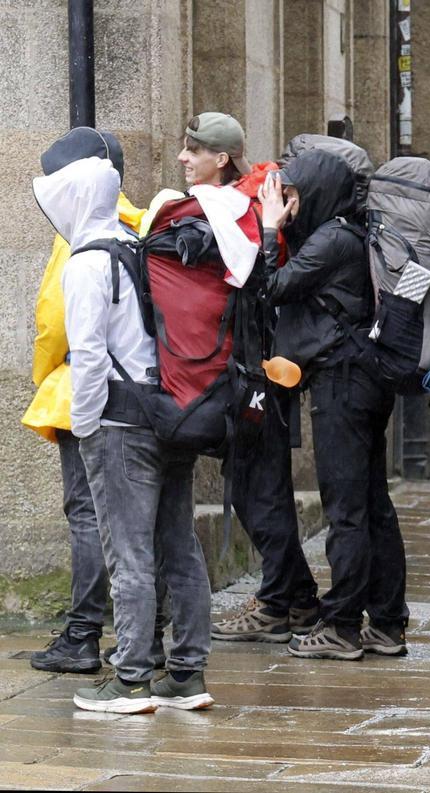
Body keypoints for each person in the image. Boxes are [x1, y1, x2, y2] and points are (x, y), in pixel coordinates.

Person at [35, 155, 214, 713]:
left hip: (118, 421)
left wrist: (86, 425)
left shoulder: (87, 262)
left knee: (128, 551)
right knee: (179, 546)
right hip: (168, 412)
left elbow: (88, 356)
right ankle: (186, 674)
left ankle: (131, 677)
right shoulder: (140, 247)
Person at [24, 129, 172, 675]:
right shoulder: (141, 225)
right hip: (150, 394)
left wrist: (46, 379)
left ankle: (84, 632)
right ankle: (148, 635)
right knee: (149, 524)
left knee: (88, 514)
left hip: (92, 394)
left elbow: (53, 324)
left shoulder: (77, 234)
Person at [174, 113, 321, 644]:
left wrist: (266, 228)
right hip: (252, 368)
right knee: (255, 487)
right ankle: (296, 601)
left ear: (222, 158)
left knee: (260, 490)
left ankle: (283, 604)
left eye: (196, 151)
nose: (185, 158)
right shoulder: (240, 202)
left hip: (257, 370)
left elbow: (256, 281)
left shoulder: (245, 207)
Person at [258, 148, 410, 660]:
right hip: (366, 378)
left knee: (346, 508)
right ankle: (387, 623)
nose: (290, 204)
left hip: (341, 384)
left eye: (295, 194)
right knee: (372, 504)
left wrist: (266, 228)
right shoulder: (349, 232)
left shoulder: (332, 240)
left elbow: (271, 287)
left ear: (318, 191)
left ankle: (343, 625)